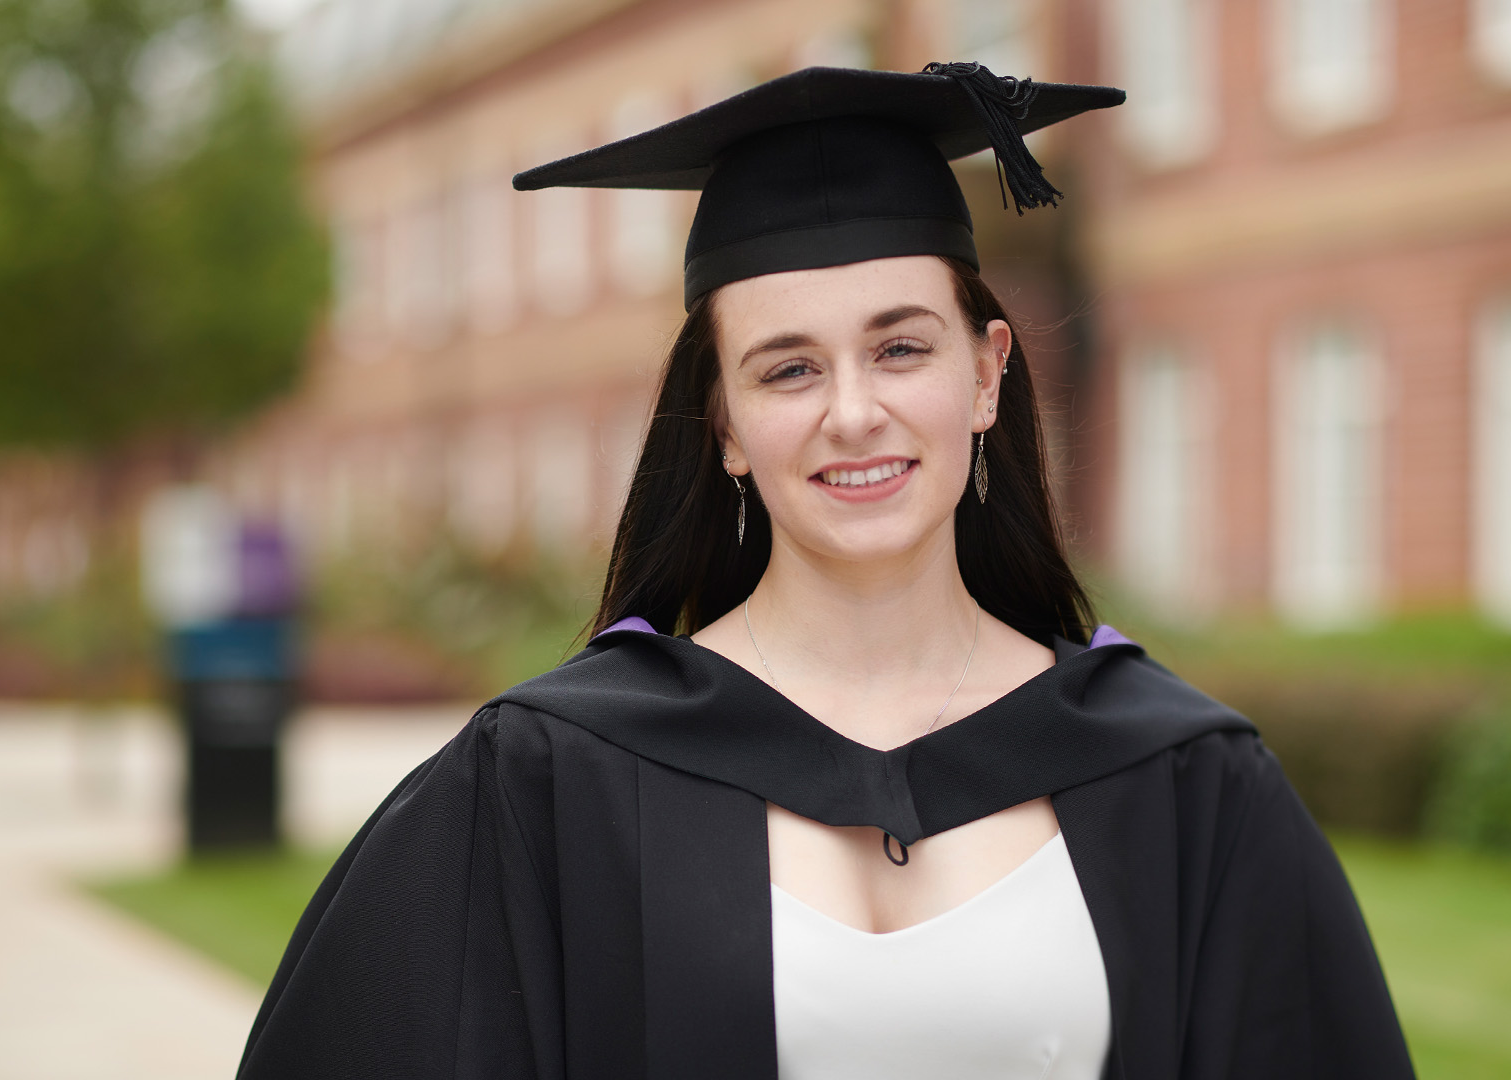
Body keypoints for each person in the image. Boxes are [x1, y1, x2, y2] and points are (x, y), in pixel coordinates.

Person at [237, 65, 1414, 1079]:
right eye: (788, 370)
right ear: (727, 426)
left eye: (901, 346)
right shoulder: (554, 777)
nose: (855, 413)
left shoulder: (1178, 779)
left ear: (988, 372)